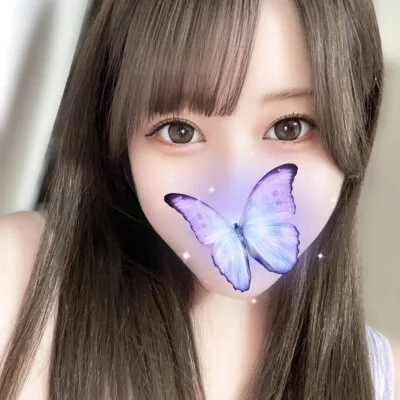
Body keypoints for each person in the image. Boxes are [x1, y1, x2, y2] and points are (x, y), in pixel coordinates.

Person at [0, 0, 394, 399]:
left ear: (356, 126)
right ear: (115, 139)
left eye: (289, 128)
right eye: (180, 132)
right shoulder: (19, 279)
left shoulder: (381, 379)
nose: (234, 187)